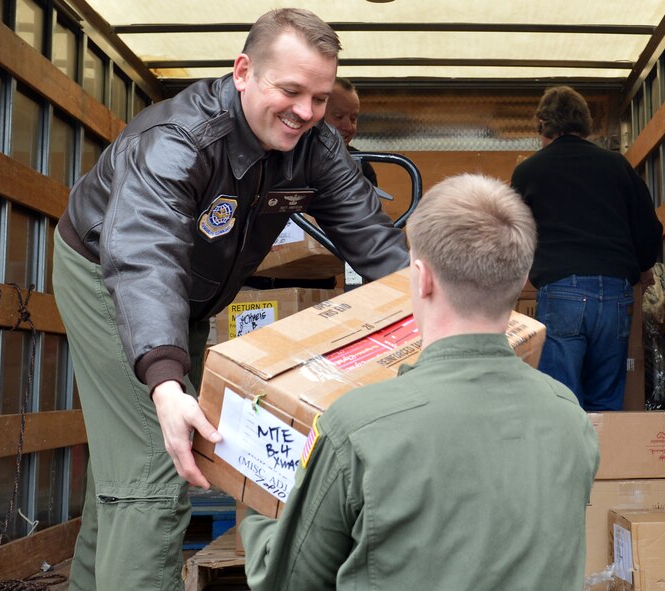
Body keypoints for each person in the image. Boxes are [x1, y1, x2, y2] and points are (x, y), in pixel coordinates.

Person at [51, 8, 408, 591]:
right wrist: (166, 383)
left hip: (185, 293)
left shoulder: (314, 146)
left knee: (126, 468)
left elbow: (375, 242)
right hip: (108, 275)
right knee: (159, 466)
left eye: (319, 98)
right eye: (291, 91)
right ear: (244, 71)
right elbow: (144, 257)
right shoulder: (177, 141)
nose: (306, 113)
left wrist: (451, 322)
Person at [240, 174, 600, 590]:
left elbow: (287, 582)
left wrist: (253, 502)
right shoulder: (570, 417)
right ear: (522, 281)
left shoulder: (357, 427)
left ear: (422, 277)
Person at [511, 85, 663, 412]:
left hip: (562, 291)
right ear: (586, 122)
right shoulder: (617, 166)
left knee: (563, 400)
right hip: (616, 294)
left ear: (542, 124)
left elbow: (512, 235)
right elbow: (649, 229)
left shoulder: (529, 171)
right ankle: (605, 462)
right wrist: (643, 263)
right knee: (607, 399)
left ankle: (571, 463)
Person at [324, 76, 377, 185]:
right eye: (338, 116)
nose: (348, 127)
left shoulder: (361, 165)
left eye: (353, 119)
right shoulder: (294, 159)